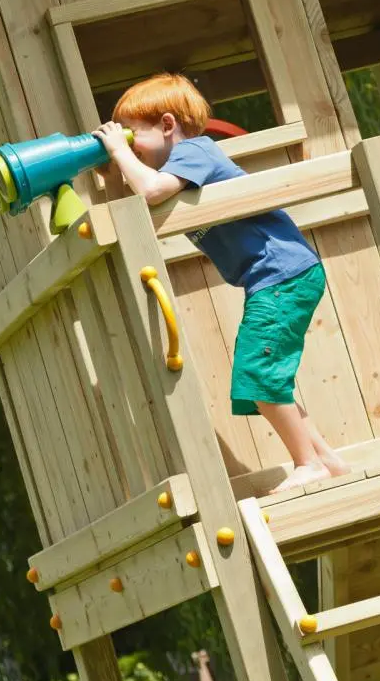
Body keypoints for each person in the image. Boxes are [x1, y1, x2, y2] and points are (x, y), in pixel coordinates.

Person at [94, 73, 348, 493]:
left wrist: (121, 152)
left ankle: (308, 464)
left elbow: (151, 191)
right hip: (274, 277)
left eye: (133, 134)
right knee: (264, 378)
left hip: (281, 272)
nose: (128, 144)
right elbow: (131, 216)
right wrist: (112, 173)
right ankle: (326, 460)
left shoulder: (195, 151)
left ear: (168, 125)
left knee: (258, 372)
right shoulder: (173, 173)